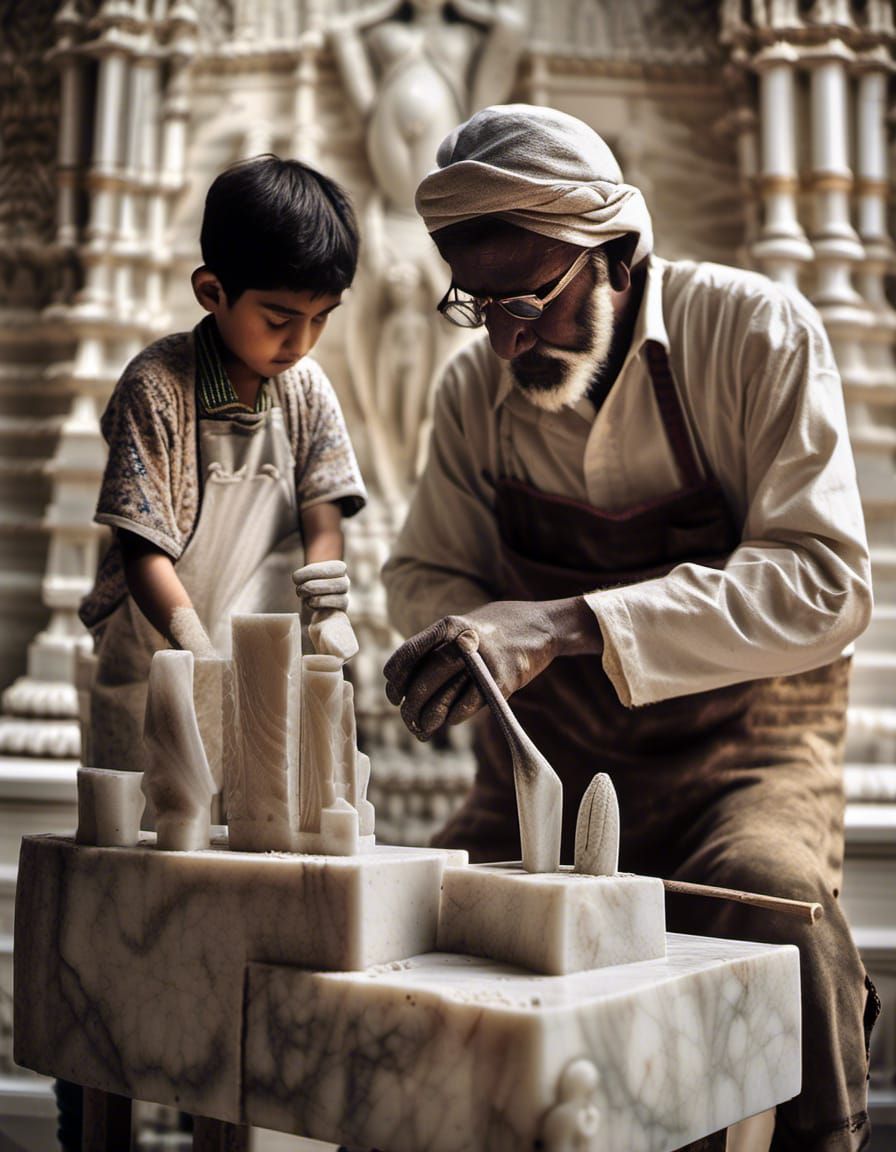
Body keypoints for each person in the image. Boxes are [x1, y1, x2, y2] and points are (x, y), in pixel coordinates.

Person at [382, 105, 878, 1151]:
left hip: (744, 767)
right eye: (477, 305)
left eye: (527, 299)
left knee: (777, 908)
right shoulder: (473, 389)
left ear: (615, 255)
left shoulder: (752, 332)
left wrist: (565, 621)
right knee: (400, 950)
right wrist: (458, 638)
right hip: (542, 787)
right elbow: (427, 571)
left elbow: (823, 584)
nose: (507, 339)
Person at [79, 154, 367, 778]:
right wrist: (196, 651)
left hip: (265, 669)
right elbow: (141, 550)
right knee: (154, 840)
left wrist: (326, 595)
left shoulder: (307, 391)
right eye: (279, 320)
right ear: (212, 292)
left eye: (320, 319)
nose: (301, 343)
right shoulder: (157, 387)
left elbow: (323, 512)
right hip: (159, 665)